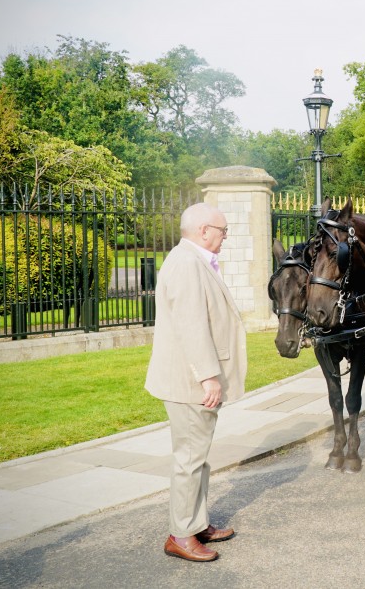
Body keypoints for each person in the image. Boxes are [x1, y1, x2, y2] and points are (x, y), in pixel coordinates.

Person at [145, 202, 247, 563]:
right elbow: (191, 326)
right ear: (204, 230)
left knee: (198, 457)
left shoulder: (191, 259)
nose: (225, 238)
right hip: (190, 381)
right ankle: (180, 534)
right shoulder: (187, 263)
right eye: (223, 231)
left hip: (190, 379)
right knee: (189, 459)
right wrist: (208, 376)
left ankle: (195, 522)